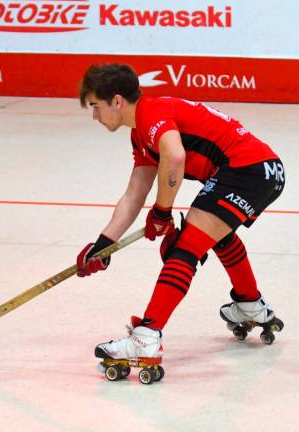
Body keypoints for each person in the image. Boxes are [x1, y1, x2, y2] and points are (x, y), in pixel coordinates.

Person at [75, 64, 286, 374]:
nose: (94, 115)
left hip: (246, 170)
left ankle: (146, 336)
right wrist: (104, 244)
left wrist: (162, 212)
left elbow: (174, 157)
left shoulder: (151, 114)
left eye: (96, 106)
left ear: (117, 101)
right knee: (214, 234)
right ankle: (249, 303)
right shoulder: (141, 134)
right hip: (263, 171)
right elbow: (135, 193)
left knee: (184, 248)